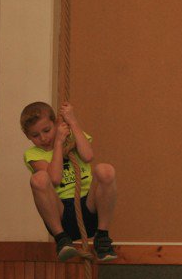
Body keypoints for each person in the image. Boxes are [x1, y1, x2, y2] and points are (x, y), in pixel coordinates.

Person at [21, 100, 118, 260]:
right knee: (39, 178)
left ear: (55, 123)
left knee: (105, 170)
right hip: (62, 215)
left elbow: (88, 156)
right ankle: (61, 239)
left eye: (47, 130)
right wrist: (58, 143)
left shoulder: (72, 137)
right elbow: (54, 178)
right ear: (27, 136)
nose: (43, 138)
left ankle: (102, 237)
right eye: (35, 135)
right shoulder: (33, 154)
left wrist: (72, 121)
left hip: (88, 207)